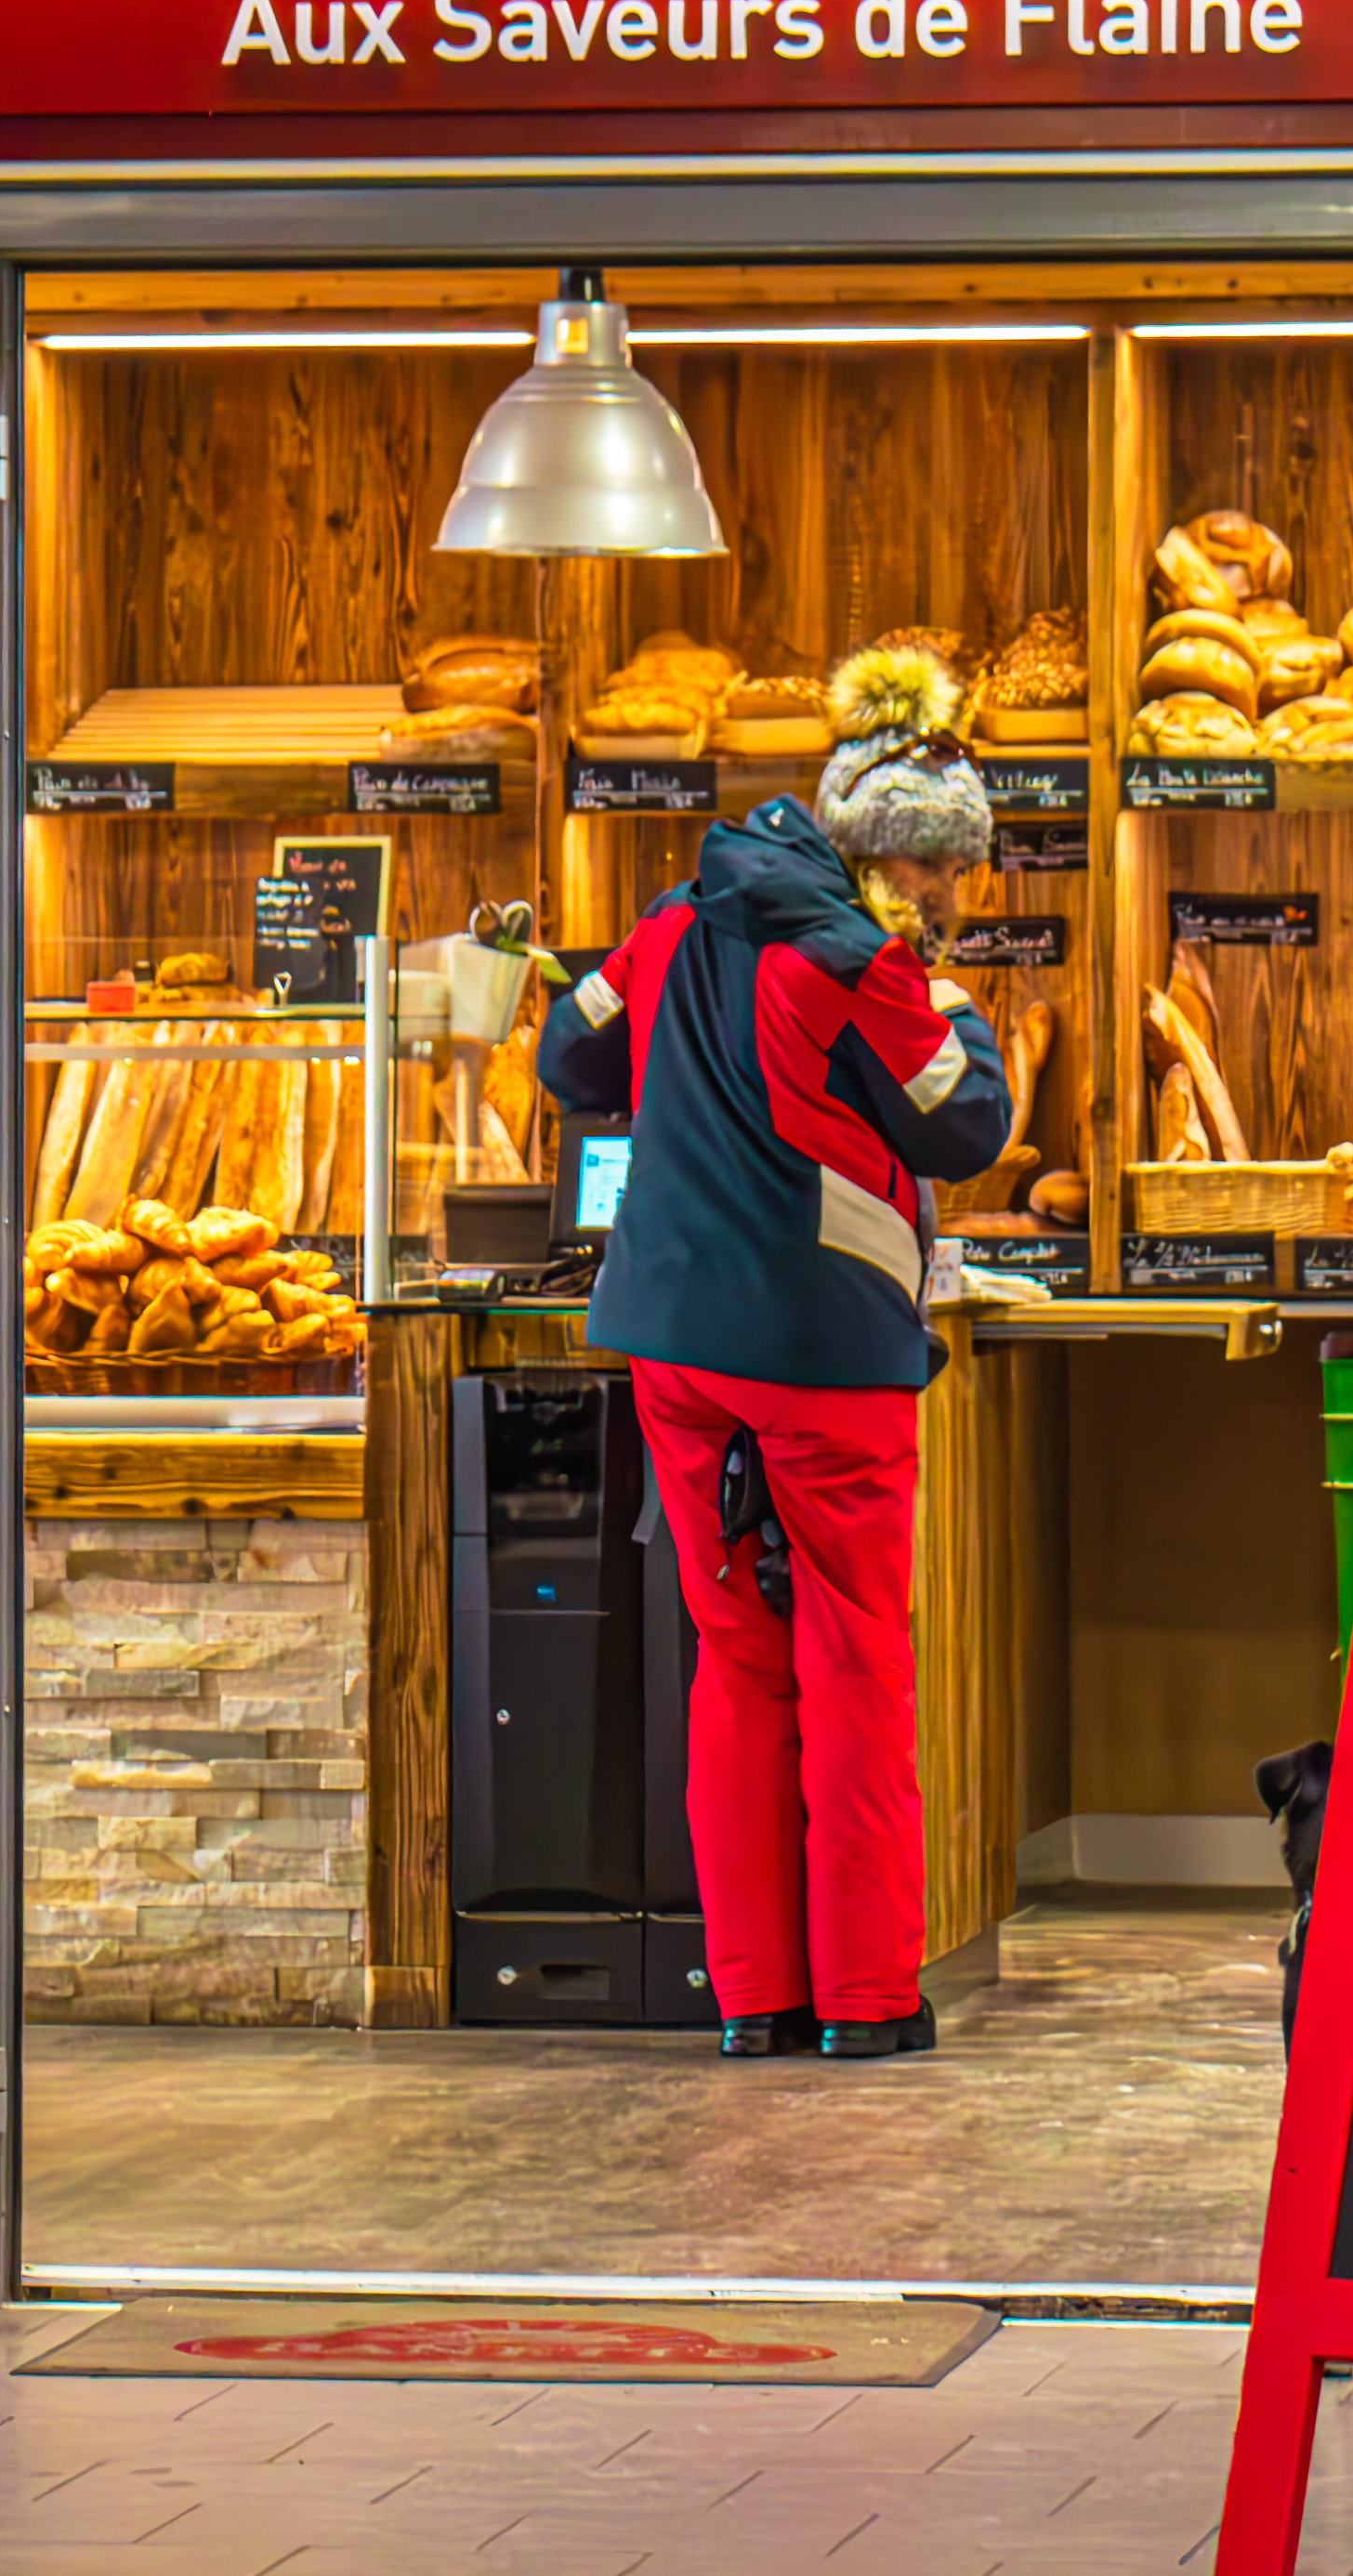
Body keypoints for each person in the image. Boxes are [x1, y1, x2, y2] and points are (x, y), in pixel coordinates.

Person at [534, 642, 1006, 2059]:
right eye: (947, 878)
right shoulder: (859, 962)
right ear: (897, 864)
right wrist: (965, 1009)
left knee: (735, 1657)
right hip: (820, 1355)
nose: (953, 902)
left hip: (673, 1346)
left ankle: (755, 1996)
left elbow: (570, 1051)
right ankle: (864, 2001)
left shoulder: (674, 923)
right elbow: (963, 1122)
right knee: (856, 1657)